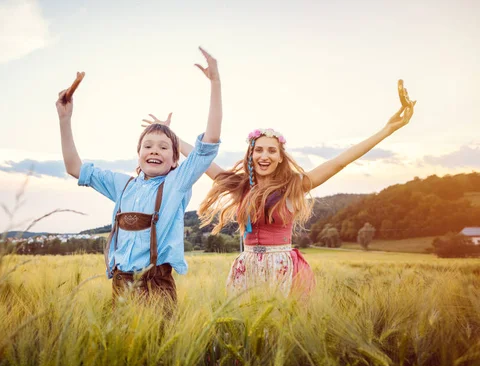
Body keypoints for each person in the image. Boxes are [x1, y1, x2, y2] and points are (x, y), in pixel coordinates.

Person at [144, 81, 416, 297]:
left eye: (271, 151)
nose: (264, 155)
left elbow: (339, 162)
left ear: (280, 157)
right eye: (258, 150)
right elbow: (202, 161)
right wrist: (171, 136)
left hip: (283, 269)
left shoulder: (293, 187)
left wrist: (386, 130)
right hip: (246, 268)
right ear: (250, 155)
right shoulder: (241, 187)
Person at [56, 47, 222, 305]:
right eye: (148, 145)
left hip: (158, 284)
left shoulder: (177, 183)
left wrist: (215, 82)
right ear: (138, 154)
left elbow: (209, 142)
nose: (155, 150)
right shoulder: (122, 185)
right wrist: (65, 119)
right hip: (121, 284)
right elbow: (74, 167)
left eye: (164, 147)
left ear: (175, 159)